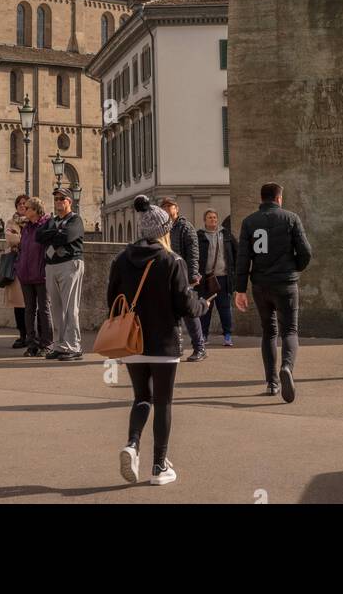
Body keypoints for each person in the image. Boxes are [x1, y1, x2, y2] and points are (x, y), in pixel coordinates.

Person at [109, 194, 210, 487]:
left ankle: (132, 444)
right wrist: (202, 305)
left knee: (142, 397)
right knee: (163, 402)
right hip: (164, 342)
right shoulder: (171, 261)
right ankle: (158, 466)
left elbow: (111, 300)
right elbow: (184, 305)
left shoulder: (122, 259)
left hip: (131, 340)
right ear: (165, 230)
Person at [234, 182, 311, 403]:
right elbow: (306, 252)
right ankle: (287, 367)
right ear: (279, 198)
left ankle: (272, 382)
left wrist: (240, 289)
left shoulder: (249, 222)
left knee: (269, 331)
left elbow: (243, 258)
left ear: (262, 198)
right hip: (286, 282)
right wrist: (295, 267)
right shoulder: (291, 218)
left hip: (260, 284)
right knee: (290, 330)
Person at [36, 187, 84, 360]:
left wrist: (52, 235)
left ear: (69, 201)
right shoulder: (52, 221)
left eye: (61, 199)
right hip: (52, 265)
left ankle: (73, 346)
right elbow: (39, 236)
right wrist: (54, 233)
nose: (58, 202)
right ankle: (59, 345)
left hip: (70, 264)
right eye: (56, 199)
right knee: (55, 307)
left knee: (70, 307)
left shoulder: (75, 220)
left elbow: (67, 237)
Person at [159, 197, 203, 361]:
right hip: (167, 275)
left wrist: (193, 275)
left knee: (189, 313)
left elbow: (193, 254)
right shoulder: (163, 228)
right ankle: (176, 346)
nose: (166, 209)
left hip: (183, 275)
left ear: (176, 209)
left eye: (169, 206)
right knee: (170, 315)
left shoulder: (185, 227)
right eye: (163, 207)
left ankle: (199, 347)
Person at [17, 196, 53, 356]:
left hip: (41, 274)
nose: (25, 210)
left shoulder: (46, 225)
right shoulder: (27, 227)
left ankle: (46, 344)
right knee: (29, 310)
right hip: (25, 274)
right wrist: (18, 265)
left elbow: (50, 249)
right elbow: (22, 249)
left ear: (36, 210)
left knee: (44, 310)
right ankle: (31, 344)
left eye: (28, 208)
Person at [197, 209, 237, 347]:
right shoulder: (199, 236)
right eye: (209, 218)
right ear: (205, 220)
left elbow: (235, 252)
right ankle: (204, 335)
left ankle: (227, 335)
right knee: (205, 308)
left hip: (223, 278)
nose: (213, 220)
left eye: (214, 217)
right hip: (206, 279)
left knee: (225, 308)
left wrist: (235, 272)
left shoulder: (226, 234)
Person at [4, 196, 28, 348]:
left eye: (25, 204)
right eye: (19, 204)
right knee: (19, 304)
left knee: (33, 304)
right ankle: (22, 334)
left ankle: (33, 334)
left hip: (31, 265)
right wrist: (25, 240)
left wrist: (21, 239)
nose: (22, 206)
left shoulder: (33, 222)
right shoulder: (11, 222)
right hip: (16, 265)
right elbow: (11, 239)